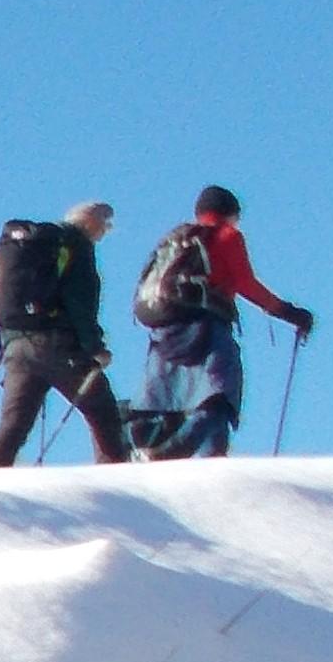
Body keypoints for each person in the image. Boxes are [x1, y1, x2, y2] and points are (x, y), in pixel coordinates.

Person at [134, 185, 314, 461]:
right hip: (205, 326)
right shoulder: (227, 236)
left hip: (164, 328)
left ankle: (207, 459)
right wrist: (288, 313)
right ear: (230, 214)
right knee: (220, 397)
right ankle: (176, 453)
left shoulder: (175, 240)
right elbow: (246, 283)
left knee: (166, 403)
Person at [0, 202, 134, 467]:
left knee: (14, 424)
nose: (105, 231)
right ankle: (115, 479)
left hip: (15, 346)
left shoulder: (35, 249)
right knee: (103, 411)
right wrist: (95, 347)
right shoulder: (76, 245)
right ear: (90, 222)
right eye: (105, 224)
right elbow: (80, 303)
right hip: (56, 345)